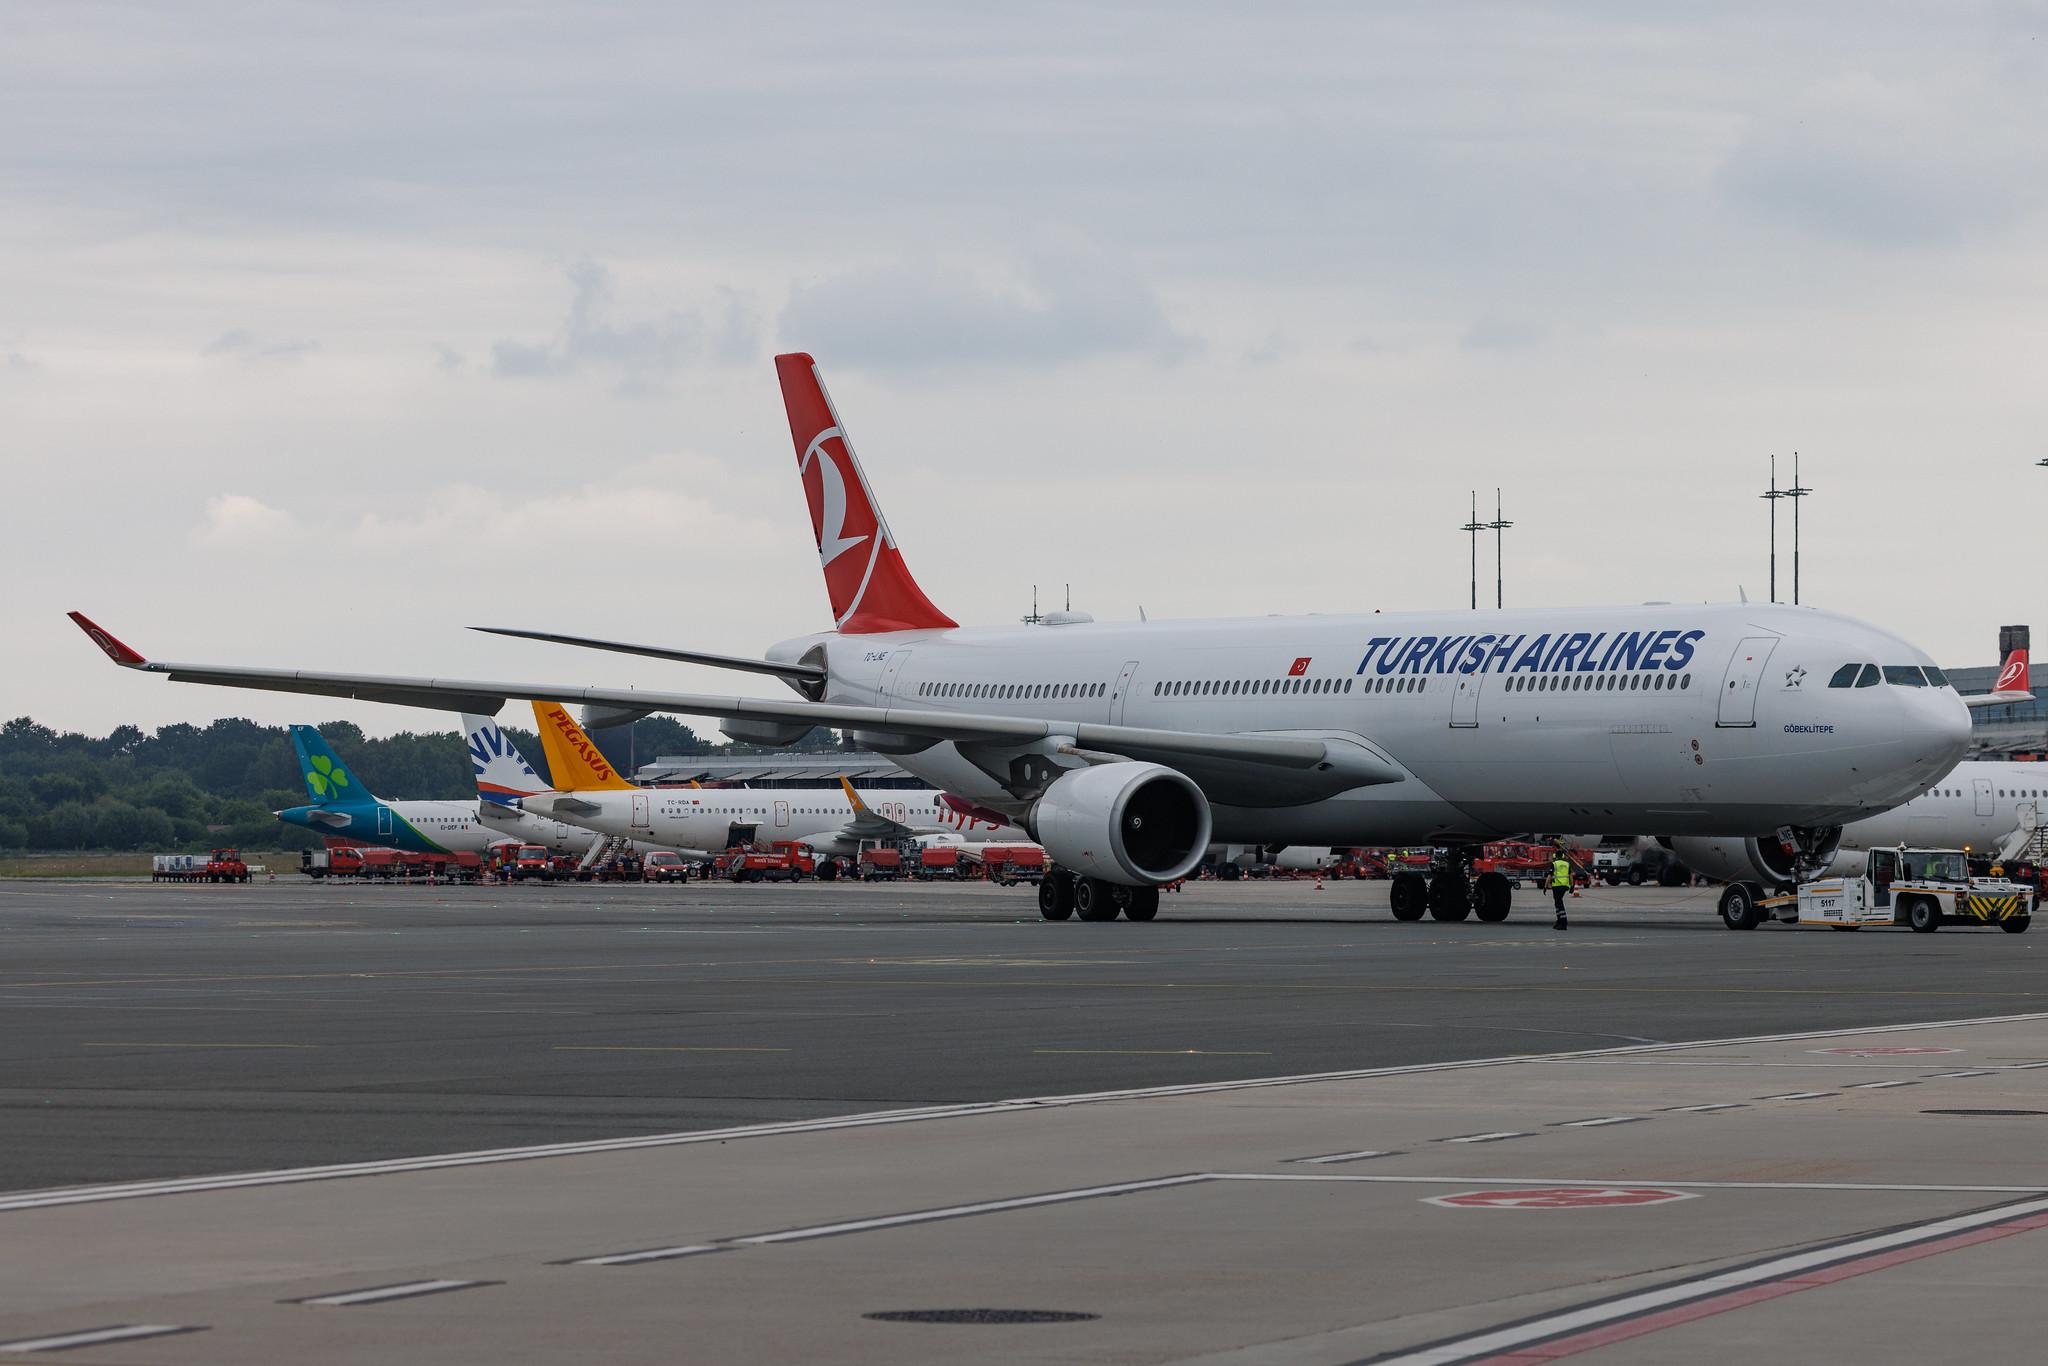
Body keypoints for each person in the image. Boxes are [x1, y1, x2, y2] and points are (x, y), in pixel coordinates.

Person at [1550, 851, 1572, 931]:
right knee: (1557, 903)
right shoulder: (1567, 864)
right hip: (1565, 886)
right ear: (1562, 856)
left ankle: (1563, 922)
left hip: (1556, 886)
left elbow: (1550, 876)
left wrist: (1545, 886)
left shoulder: (1554, 864)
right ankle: (1559, 921)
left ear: (1555, 856)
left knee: (1559, 904)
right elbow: (1570, 875)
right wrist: (1572, 885)